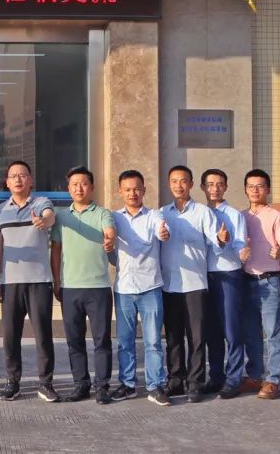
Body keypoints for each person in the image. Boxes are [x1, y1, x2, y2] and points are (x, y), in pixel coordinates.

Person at [159, 165, 227, 403]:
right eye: (174, 181)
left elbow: (215, 241)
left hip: (195, 285)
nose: (178, 185)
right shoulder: (162, 213)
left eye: (183, 181)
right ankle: (175, 380)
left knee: (197, 338)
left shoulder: (202, 212)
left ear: (190, 184)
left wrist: (221, 239)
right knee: (173, 338)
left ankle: (195, 382)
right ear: (169, 184)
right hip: (169, 284)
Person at [50, 167, 116, 404]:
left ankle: (102, 386)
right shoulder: (61, 216)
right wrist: (56, 280)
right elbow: (56, 250)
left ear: (92, 187)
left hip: (98, 287)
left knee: (101, 340)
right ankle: (81, 384)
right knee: (74, 340)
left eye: (84, 183)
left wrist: (109, 240)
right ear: (68, 188)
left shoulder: (103, 213)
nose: (79, 188)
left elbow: (110, 232)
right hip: (70, 287)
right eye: (74, 184)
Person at [0, 161, 58, 402]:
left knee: (43, 335)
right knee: (10, 336)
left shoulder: (40, 203)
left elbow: (50, 216)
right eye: (13, 176)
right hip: (10, 282)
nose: (18, 180)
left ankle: (46, 383)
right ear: (7, 182)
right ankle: (13, 382)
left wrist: (44, 221)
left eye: (23, 175)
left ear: (30, 179)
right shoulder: (0, 211)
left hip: (39, 281)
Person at [110, 170, 171, 406]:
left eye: (136, 189)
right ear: (120, 191)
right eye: (127, 189)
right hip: (124, 288)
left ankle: (156, 386)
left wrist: (163, 233)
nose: (132, 193)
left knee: (153, 341)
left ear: (144, 189)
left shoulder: (154, 215)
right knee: (125, 341)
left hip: (150, 287)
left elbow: (162, 231)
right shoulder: (114, 218)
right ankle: (128, 385)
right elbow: (109, 247)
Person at [240, 168, 280, 400]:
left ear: (268, 190)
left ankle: (273, 379)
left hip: (269, 281)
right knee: (251, 332)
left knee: (273, 332)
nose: (255, 190)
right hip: (245, 280)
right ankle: (254, 375)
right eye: (251, 186)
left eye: (260, 186)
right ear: (245, 190)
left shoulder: (276, 216)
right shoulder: (240, 216)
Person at [199, 169, 249, 397]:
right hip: (203, 277)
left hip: (228, 275)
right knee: (212, 331)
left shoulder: (234, 215)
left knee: (232, 330)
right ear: (202, 187)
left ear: (226, 187)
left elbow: (239, 244)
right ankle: (216, 377)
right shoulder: (199, 213)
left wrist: (237, 249)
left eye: (219, 184)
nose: (215, 189)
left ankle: (234, 378)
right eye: (210, 184)